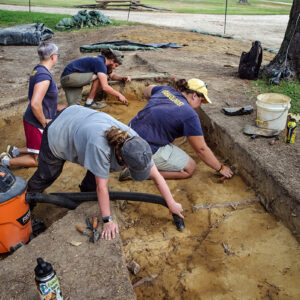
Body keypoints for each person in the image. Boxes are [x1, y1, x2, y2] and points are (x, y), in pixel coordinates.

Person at [27, 105, 183, 240]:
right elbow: (102, 187)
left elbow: (156, 176)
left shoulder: (137, 146)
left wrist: (171, 203)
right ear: (123, 160)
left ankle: (87, 193)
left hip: (79, 117)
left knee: (98, 172)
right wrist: (107, 220)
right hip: (59, 131)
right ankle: (26, 203)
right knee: (46, 176)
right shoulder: (100, 148)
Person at [120, 78, 233, 180]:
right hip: (142, 148)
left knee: (173, 139)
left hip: (126, 135)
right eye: (202, 101)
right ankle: (137, 172)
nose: (200, 105)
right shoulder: (190, 115)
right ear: (194, 95)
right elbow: (201, 149)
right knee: (189, 168)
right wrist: (220, 168)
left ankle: (135, 160)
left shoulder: (166, 90)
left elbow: (147, 90)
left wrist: (156, 109)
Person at [0, 42, 66, 168]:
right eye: (57, 55)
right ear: (53, 57)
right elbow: (35, 104)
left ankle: (15, 151)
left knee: (42, 146)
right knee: (39, 160)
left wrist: (55, 108)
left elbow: (42, 99)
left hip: (33, 119)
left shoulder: (37, 70)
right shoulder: (44, 76)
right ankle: (6, 162)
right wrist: (43, 122)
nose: (57, 57)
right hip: (36, 122)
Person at [60, 48, 131, 109]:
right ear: (112, 61)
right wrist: (119, 95)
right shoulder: (100, 63)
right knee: (100, 77)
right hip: (70, 77)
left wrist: (122, 78)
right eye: (116, 65)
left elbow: (112, 75)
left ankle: (54, 110)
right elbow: (105, 87)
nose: (115, 68)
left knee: (74, 107)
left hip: (69, 80)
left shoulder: (102, 62)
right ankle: (89, 102)